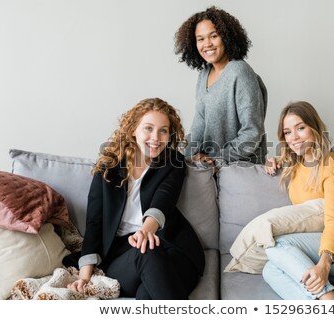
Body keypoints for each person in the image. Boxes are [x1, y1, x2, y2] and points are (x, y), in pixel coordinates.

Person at [65, 98, 205, 299]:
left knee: (146, 295)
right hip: (124, 257)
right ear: (133, 130)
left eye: (163, 130)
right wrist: (85, 277)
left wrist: (145, 232)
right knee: (145, 251)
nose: (156, 137)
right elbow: (95, 223)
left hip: (173, 248)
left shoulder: (173, 162)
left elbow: (163, 200)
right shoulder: (108, 167)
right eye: (148, 128)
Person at [263, 101, 334, 300]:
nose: (294, 138)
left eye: (300, 128)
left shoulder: (330, 166)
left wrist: (324, 264)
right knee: (270, 270)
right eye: (288, 132)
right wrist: (272, 160)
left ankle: (329, 301)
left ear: (314, 128)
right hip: (317, 244)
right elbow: (288, 153)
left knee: (276, 244)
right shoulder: (298, 161)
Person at [174, 6, 268, 166]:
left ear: (226, 37)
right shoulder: (204, 74)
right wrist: (182, 157)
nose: (207, 44)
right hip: (212, 166)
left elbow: (252, 132)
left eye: (214, 36)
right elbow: (198, 127)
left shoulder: (240, 72)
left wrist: (217, 158)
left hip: (241, 167)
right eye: (200, 39)